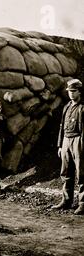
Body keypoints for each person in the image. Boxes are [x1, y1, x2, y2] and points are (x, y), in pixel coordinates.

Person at [52, 79, 84, 215]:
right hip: (66, 141)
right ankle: (66, 200)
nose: (71, 94)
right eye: (69, 91)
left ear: (79, 91)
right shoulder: (66, 106)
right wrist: (60, 145)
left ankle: (83, 203)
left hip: (78, 141)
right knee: (65, 172)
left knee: (81, 173)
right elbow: (61, 127)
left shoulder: (82, 108)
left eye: (73, 91)